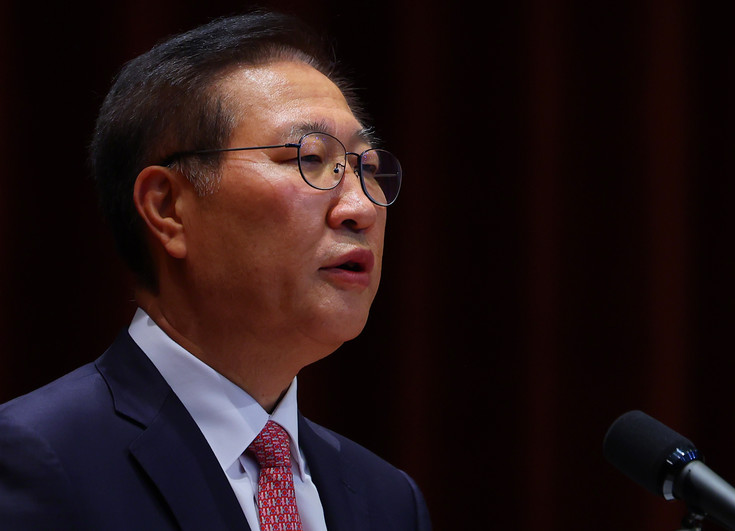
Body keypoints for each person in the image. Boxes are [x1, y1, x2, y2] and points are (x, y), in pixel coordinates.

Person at [0, 9, 431, 531]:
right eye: (309, 158)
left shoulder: (389, 501)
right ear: (168, 208)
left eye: (366, 167)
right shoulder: (37, 459)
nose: (361, 207)